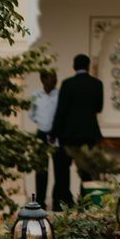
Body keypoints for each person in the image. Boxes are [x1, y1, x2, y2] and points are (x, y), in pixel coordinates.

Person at [50, 53, 104, 208]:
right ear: (88, 67)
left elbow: (61, 111)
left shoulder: (67, 84)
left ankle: (65, 201)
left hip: (69, 133)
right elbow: (99, 108)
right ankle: (86, 202)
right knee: (87, 169)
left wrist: (54, 133)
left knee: (63, 169)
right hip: (89, 133)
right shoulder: (97, 84)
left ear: (74, 66)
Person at [29, 69, 58, 208]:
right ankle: (40, 201)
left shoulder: (59, 95)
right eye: (51, 78)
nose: (54, 80)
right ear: (43, 79)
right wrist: (42, 123)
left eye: (55, 77)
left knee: (59, 168)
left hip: (57, 134)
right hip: (41, 133)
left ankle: (57, 200)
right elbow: (32, 114)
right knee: (41, 168)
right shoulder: (36, 95)